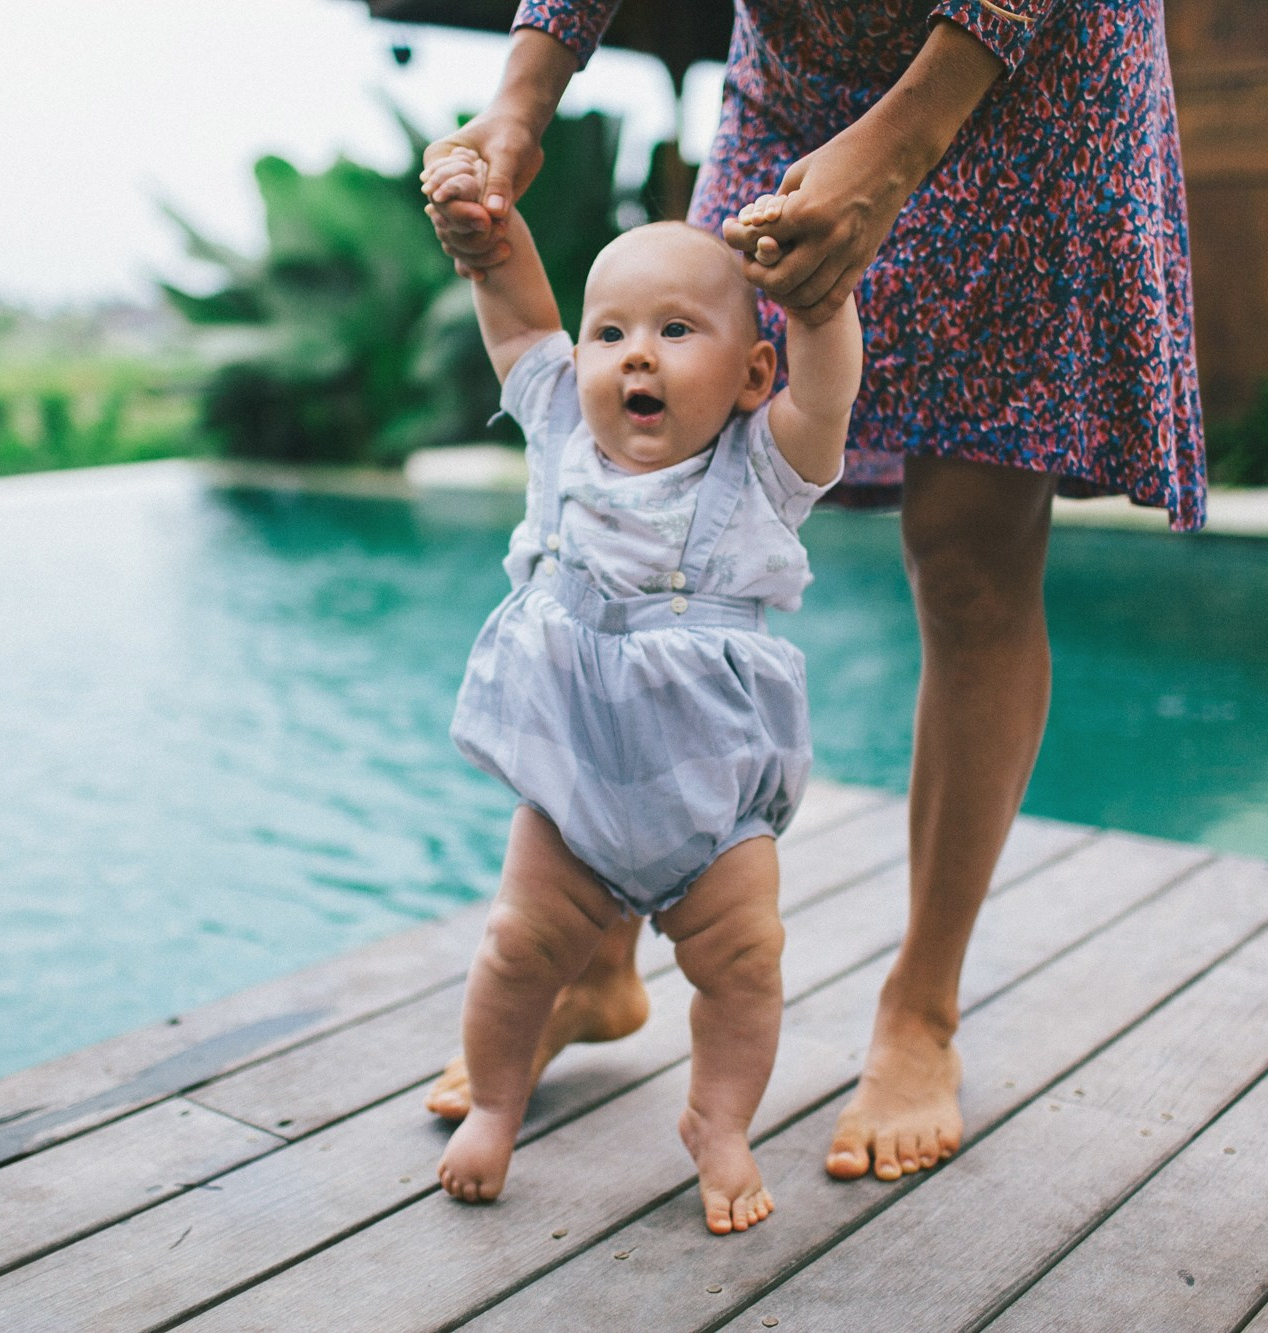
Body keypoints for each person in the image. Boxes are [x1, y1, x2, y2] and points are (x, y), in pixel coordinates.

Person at [424, 1, 1205, 1185]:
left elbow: (805, 407)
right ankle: (590, 960)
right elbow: (532, 330)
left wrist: (885, 179)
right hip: (800, 68)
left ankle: (920, 1008)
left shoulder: (776, 387)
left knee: (969, 556)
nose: (618, 358)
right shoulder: (564, 401)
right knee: (676, 357)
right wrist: (522, 98)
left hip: (1028, 71)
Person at [422, 144, 863, 1234]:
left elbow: (827, 389)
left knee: (746, 961)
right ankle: (494, 1102)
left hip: (711, 803)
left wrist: (816, 302)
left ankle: (717, 1119)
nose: (635, 357)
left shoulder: (762, 472)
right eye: (610, 332)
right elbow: (523, 323)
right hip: (572, 786)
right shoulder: (561, 435)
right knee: (517, 946)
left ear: (751, 376)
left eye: (675, 330)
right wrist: (493, 238)